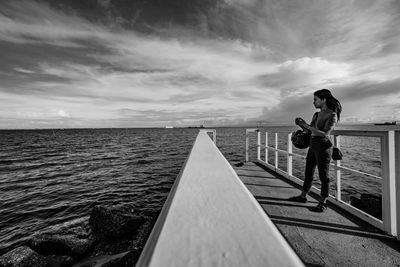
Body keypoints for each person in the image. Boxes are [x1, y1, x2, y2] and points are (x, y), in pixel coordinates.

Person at [288, 89, 342, 212]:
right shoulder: (316, 114)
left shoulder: (332, 115)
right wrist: (301, 125)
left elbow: (325, 133)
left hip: (323, 147)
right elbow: (310, 130)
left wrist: (307, 126)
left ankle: (323, 202)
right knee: (308, 173)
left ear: (324, 99)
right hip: (313, 145)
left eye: (315, 99)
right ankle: (303, 197)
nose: (313, 102)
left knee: (324, 176)